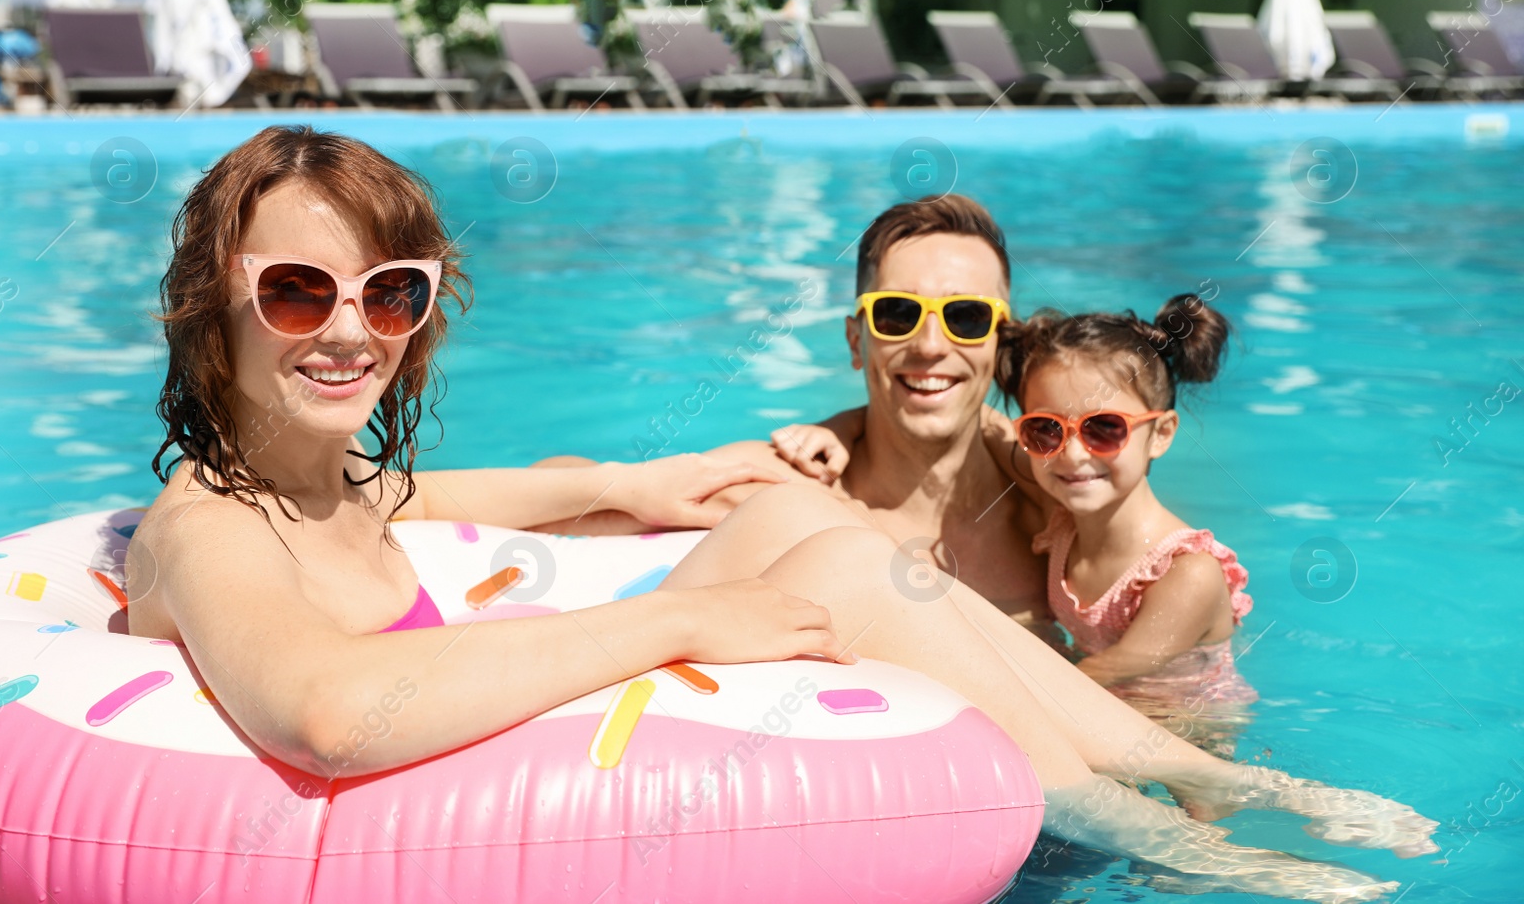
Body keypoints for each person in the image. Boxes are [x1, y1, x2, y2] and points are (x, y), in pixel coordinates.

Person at [127, 127, 1433, 900]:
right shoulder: (208, 526)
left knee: (829, 539)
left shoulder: (324, 481)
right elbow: (334, 714)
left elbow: (450, 491)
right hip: (492, 799)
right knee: (841, 569)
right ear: (210, 303)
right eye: (299, 292)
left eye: (393, 294)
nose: (353, 328)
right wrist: (695, 614)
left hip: (555, 724)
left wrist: (618, 484)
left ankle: (1219, 777)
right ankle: (1168, 832)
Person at [537, 195, 1057, 632]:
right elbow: (561, 493)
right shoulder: (788, 488)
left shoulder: (1054, 508)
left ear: (1000, 341)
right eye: (896, 313)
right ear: (857, 341)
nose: (929, 345)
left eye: (966, 317)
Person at [994, 295, 1259, 752]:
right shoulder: (1064, 524)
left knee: (1199, 822)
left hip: (1194, 732)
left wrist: (997, 694)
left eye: (1103, 428)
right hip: (1113, 715)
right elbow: (974, 427)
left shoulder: (1186, 571)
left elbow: (1115, 667)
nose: (1072, 454)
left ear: (1161, 434)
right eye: (1045, 430)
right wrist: (843, 429)